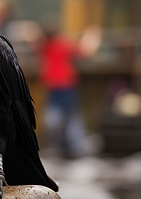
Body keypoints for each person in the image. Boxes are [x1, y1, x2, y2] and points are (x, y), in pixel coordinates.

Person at [37, 16, 101, 158]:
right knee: (71, 118)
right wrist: (92, 36)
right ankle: (75, 148)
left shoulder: (44, 45)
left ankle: (60, 147)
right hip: (65, 85)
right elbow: (85, 52)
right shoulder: (62, 44)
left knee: (57, 118)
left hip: (56, 86)